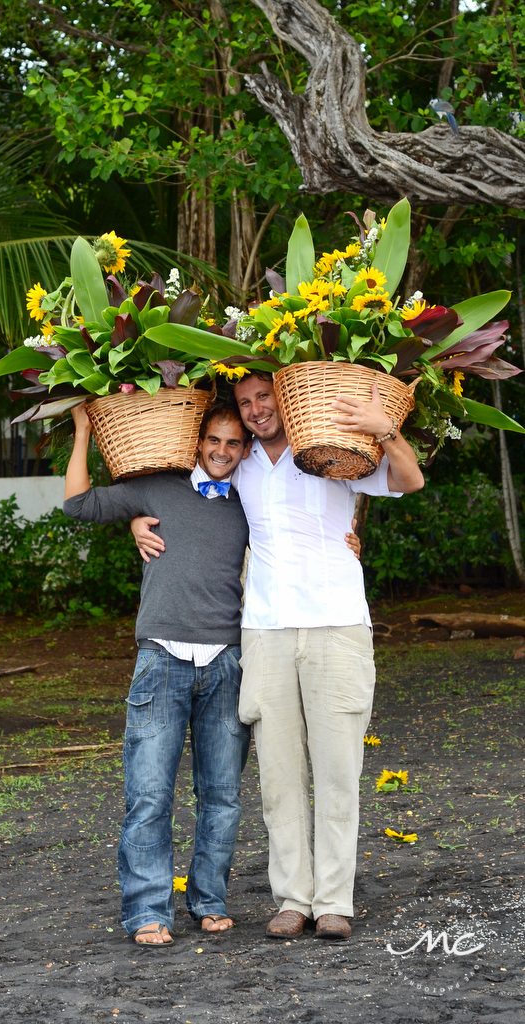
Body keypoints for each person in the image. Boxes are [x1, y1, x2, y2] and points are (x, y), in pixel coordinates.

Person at [133, 372, 424, 942]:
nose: (256, 409)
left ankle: (334, 900)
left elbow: (409, 480)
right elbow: (175, 493)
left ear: (287, 396)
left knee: (339, 771)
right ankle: (293, 898)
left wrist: (384, 429)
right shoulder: (238, 464)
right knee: (278, 776)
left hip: (338, 624)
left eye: (264, 396)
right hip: (264, 631)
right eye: (245, 404)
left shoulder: (331, 449)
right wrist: (135, 522)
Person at [63, 400, 253, 946]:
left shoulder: (251, 502)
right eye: (213, 440)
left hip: (226, 662)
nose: (221, 451)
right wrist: (82, 429)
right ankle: (147, 910)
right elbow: (78, 503)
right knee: (149, 793)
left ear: (245, 450)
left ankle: (209, 899)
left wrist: (350, 540)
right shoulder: (157, 486)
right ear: (197, 441)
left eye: (233, 443)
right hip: (161, 661)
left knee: (222, 795)